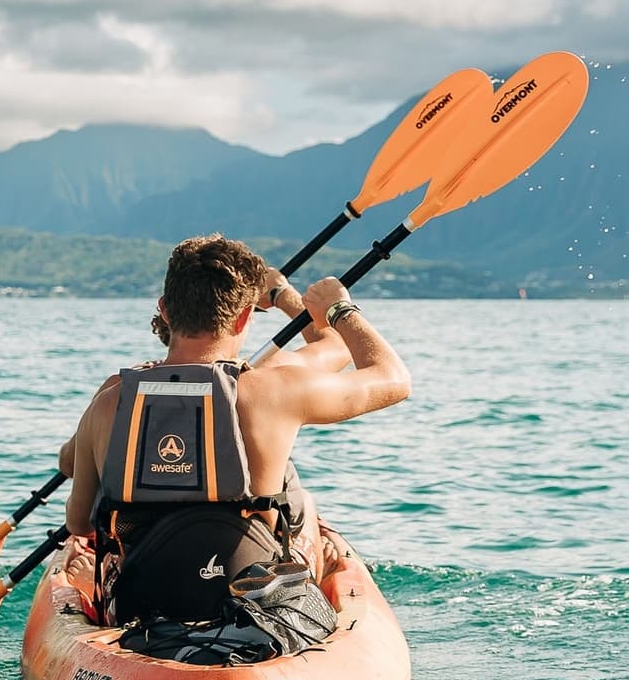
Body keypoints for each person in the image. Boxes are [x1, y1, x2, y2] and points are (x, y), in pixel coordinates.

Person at [57, 235, 411, 626]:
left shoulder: (111, 400)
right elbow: (390, 377)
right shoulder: (273, 388)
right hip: (254, 604)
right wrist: (320, 303)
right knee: (301, 502)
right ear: (243, 318)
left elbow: (78, 523)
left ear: (165, 311)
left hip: (143, 604)